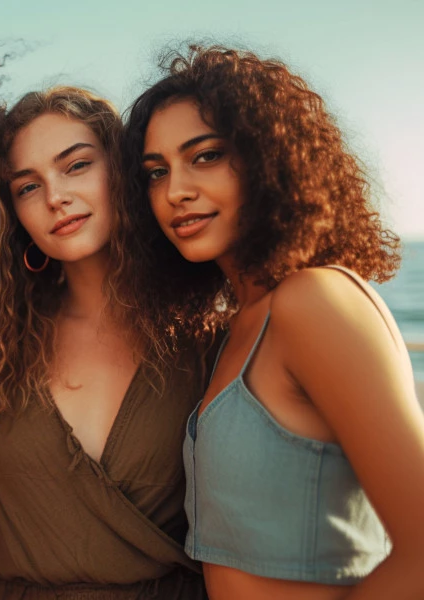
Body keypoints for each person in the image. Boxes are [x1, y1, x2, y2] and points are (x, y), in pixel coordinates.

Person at [121, 46, 424, 599]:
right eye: (156, 172)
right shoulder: (241, 324)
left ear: (268, 158)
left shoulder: (313, 301)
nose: (175, 191)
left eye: (205, 156)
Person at [0, 86, 209, 599]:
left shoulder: (206, 334)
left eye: (76, 166)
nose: (55, 197)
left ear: (121, 170)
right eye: (27, 187)